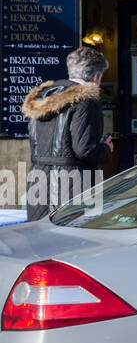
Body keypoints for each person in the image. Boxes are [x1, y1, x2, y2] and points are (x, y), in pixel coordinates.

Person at [22, 46, 113, 221]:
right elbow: (85, 149)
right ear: (95, 77)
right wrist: (106, 148)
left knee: (40, 240)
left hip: (38, 182)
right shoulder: (86, 100)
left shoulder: (44, 97)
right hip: (74, 186)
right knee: (77, 243)